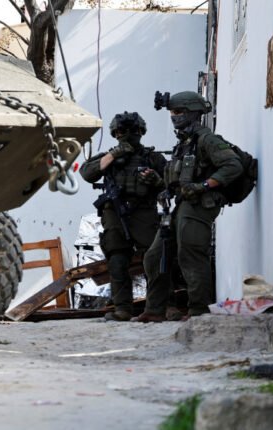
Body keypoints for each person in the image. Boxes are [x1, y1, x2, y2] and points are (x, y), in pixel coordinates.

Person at [138, 91, 244, 322]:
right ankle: (155, 310)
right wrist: (160, 183)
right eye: (172, 112)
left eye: (178, 112)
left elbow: (233, 166)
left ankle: (199, 310)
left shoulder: (207, 140)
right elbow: (178, 180)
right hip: (180, 205)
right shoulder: (184, 144)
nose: (174, 117)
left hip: (199, 205)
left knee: (191, 254)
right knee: (154, 257)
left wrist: (203, 186)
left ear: (192, 113)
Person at [79, 112, 167, 322]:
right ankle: (123, 308)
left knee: (154, 259)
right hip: (115, 213)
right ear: (115, 134)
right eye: (121, 131)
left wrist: (156, 181)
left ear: (141, 132)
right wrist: (114, 155)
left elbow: (170, 185)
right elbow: (87, 173)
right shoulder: (109, 157)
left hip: (144, 212)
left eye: (133, 130)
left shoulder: (153, 158)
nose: (128, 135)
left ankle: (160, 307)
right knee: (117, 260)